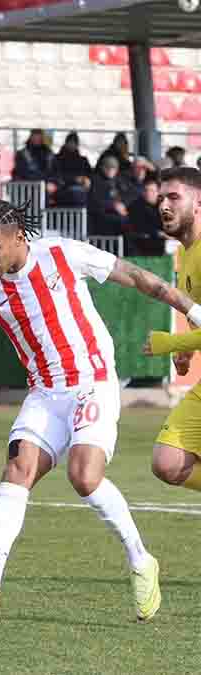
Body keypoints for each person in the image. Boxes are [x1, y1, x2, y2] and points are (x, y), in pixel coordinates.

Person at [0, 199, 201, 622]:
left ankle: (141, 560)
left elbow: (137, 277)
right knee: (18, 468)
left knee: (84, 476)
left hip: (92, 383)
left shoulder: (62, 254)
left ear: (17, 238)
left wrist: (193, 310)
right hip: (45, 393)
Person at [142, 168, 201, 494]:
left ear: (198, 203)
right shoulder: (184, 252)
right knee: (169, 462)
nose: (164, 204)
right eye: (161, 197)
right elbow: (197, 313)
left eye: (174, 197)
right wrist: (185, 352)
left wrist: (170, 343)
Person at [12, 129, 58, 201]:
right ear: (31, 137)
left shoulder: (49, 153)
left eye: (39, 136)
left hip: (46, 188)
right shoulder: (22, 154)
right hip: (27, 187)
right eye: (35, 136)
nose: (37, 139)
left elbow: (55, 171)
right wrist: (43, 184)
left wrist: (53, 182)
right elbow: (21, 173)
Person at [88, 155, 129, 237]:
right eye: (108, 167)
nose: (110, 170)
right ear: (102, 168)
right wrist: (114, 206)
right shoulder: (96, 180)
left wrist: (123, 204)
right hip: (100, 217)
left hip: (117, 214)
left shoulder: (119, 181)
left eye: (113, 168)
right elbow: (95, 201)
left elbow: (128, 194)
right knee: (123, 222)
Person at [125, 176, 166, 257]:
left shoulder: (164, 205)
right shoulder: (136, 206)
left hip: (163, 242)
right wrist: (159, 233)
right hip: (141, 243)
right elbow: (140, 226)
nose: (148, 193)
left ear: (158, 192)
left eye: (152, 191)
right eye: (146, 190)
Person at [53, 132, 92, 208]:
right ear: (66, 143)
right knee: (77, 193)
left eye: (74, 143)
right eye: (70, 142)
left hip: (82, 189)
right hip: (63, 189)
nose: (72, 145)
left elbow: (90, 175)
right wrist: (75, 179)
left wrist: (87, 179)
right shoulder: (58, 159)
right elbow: (57, 176)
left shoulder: (83, 160)